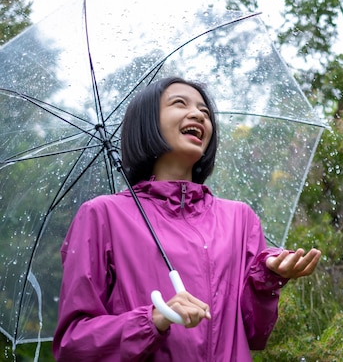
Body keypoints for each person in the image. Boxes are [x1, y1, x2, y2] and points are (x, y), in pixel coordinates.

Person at [52, 77, 322, 361]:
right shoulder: (102, 215)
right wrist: (155, 319)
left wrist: (268, 279)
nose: (198, 115)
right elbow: (73, 343)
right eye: (180, 103)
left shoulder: (240, 219)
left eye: (205, 112)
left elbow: (254, 333)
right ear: (147, 123)